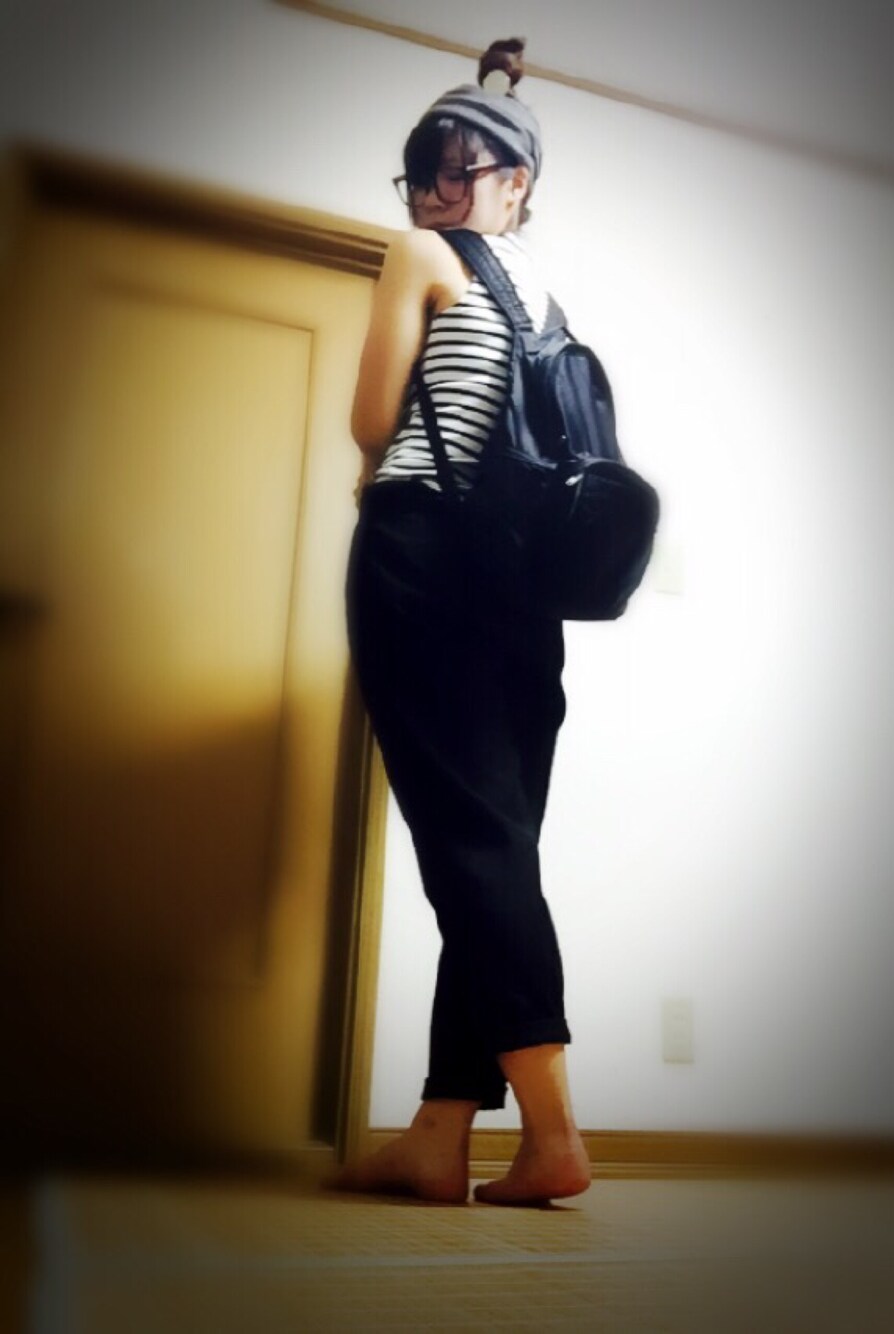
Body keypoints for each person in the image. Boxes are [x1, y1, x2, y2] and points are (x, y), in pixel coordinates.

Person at [335, 40, 592, 1206]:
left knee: (472, 847)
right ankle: (440, 1132)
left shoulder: (418, 255)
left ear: (511, 178)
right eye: (422, 174)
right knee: (493, 847)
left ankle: (552, 1132)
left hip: (423, 561)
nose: (434, 194)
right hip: (525, 591)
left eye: (455, 169)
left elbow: (370, 419)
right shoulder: (550, 301)